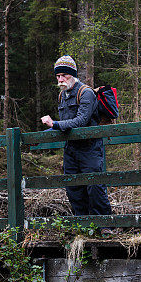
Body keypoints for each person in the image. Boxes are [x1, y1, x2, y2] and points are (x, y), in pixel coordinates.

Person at [41, 55, 112, 217]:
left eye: (63, 75)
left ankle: (104, 225)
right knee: (73, 188)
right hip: (71, 149)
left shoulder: (85, 93)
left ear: (72, 74)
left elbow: (81, 121)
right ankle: (82, 223)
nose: (60, 79)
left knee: (95, 186)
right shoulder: (62, 95)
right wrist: (43, 137)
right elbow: (64, 125)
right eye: (57, 76)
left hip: (90, 148)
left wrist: (55, 124)